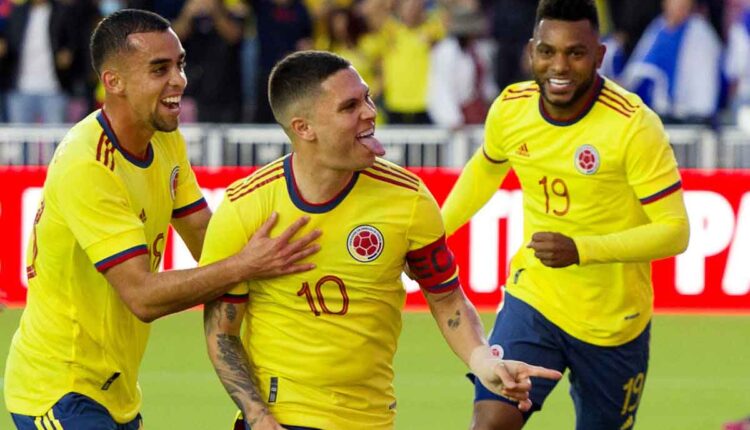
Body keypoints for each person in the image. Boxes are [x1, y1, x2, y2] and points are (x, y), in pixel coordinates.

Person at [200, 50, 562, 430]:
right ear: (304, 128)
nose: (370, 112)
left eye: (368, 97)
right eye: (350, 106)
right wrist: (258, 416)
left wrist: (483, 361)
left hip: (371, 419)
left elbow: (446, 298)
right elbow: (222, 332)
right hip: (280, 418)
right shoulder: (246, 207)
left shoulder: (408, 199)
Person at [3, 9, 320, 429]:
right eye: (159, 69)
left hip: (116, 390)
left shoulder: (165, 140)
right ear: (113, 81)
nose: (179, 80)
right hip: (58, 389)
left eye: (180, 64)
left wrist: (291, 284)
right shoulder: (88, 164)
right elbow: (143, 296)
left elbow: (206, 238)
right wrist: (246, 265)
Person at [440, 0, 690, 429]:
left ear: (599, 55)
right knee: (491, 422)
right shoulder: (511, 107)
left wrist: (581, 249)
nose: (559, 66)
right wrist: (434, 233)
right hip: (534, 300)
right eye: (547, 51)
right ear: (531, 51)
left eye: (575, 53)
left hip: (614, 321)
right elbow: (485, 169)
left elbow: (675, 231)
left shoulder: (633, 126)